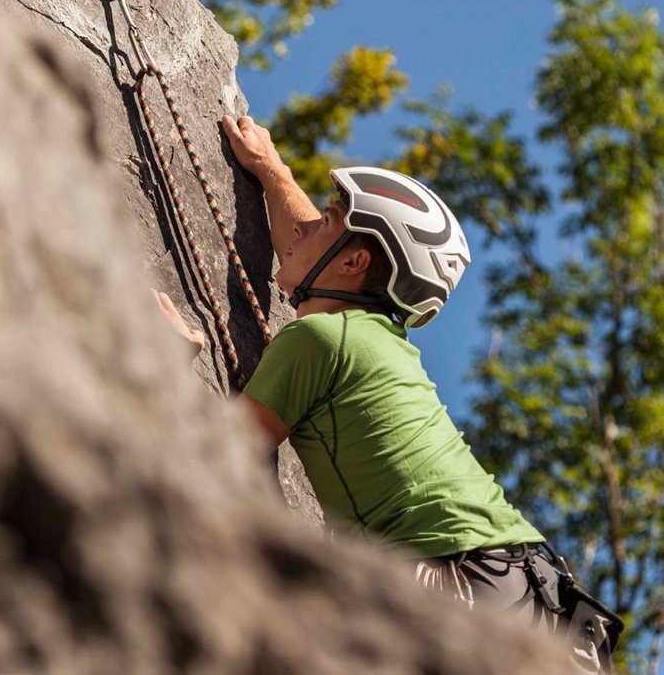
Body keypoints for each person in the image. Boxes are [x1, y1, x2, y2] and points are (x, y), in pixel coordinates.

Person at [158, 115, 621, 668]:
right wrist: (269, 169)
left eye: (328, 221)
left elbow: (216, 455)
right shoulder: (375, 336)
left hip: (458, 586)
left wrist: (163, 360)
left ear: (354, 263)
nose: (304, 228)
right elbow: (312, 246)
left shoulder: (320, 340)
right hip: (540, 600)